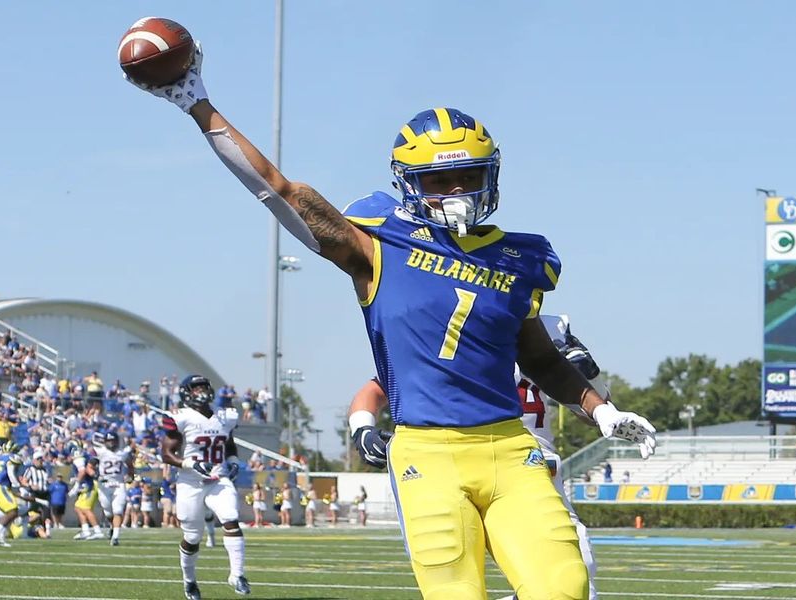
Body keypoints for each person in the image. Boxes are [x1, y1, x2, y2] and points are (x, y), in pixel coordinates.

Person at [130, 43, 656, 600]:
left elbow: (540, 356)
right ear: (409, 183)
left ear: (491, 175)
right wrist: (198, 104)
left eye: (467, 176)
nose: (455, 191)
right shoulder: (378, 246)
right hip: (426, 453)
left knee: (565, 587)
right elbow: (277, 188)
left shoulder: (523, 257)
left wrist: (601, 410)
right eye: (437, 180)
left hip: (509, 447)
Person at [349, 314, 616, 600]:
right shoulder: (453, 324)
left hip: (531, 466)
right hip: (458, 461)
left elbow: (593, 411)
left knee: (573, 574)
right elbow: (378, 387)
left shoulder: (547, 329)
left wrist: (590, 376)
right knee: (455, 584)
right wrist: (361, 427)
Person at [159, 374, 250, 598]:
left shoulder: (225, 416)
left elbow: (228, 443)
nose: (201, 392)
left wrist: (233, 461)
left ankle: (236, 575)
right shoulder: (181, 417)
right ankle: (189, 581)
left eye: (203, 387)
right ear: (186, 393)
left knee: (230, 517)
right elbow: (167, 454)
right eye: (196, 388)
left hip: (218, 479)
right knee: (192, 536)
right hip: (190, 483)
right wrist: (189, 463)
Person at [95, 431, 134, 545]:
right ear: (105, 442)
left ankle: (115, 537)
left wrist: (130, 475)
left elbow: (130, 465)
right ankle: (113, 527)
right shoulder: (100, 452)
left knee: (118, 510)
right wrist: (95, 475)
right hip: (104, 485)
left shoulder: (123, 453)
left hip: (119, 484)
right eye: (109, 441)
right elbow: (90, 465)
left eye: (113, 441)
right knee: (108, 512)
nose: (111, 443)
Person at [71, 456, 103, 541]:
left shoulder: (81, 459)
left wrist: (76, 485)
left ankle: (98, 531)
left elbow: (84, 471)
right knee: (78, 508)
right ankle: (85, 531)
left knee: (86, 509)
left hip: (91, 486)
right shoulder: (85, 458)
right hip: (90, 485)